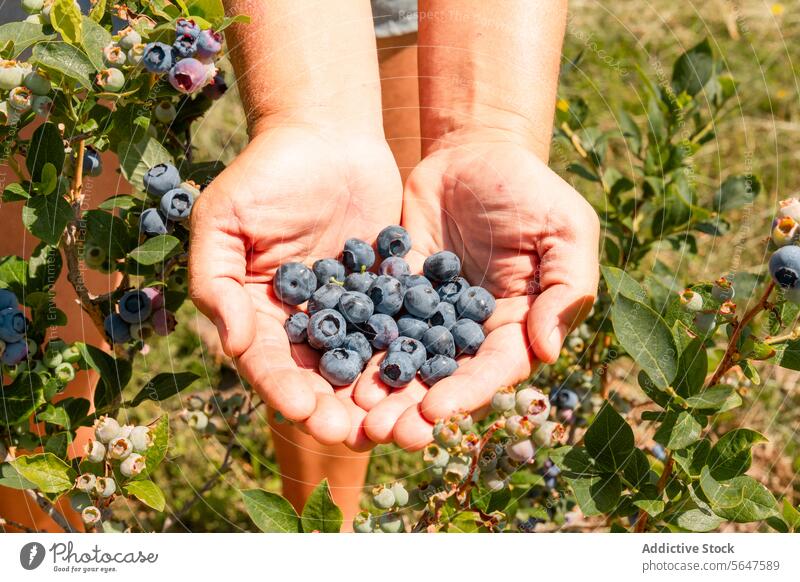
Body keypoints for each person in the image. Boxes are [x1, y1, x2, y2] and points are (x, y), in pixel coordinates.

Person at [189, 0, 599, 529]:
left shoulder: (395, 308)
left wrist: (490, 132)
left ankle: (339, 526)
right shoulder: (346, 302)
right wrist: (309, 121)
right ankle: (321, 530)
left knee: (415, 157)